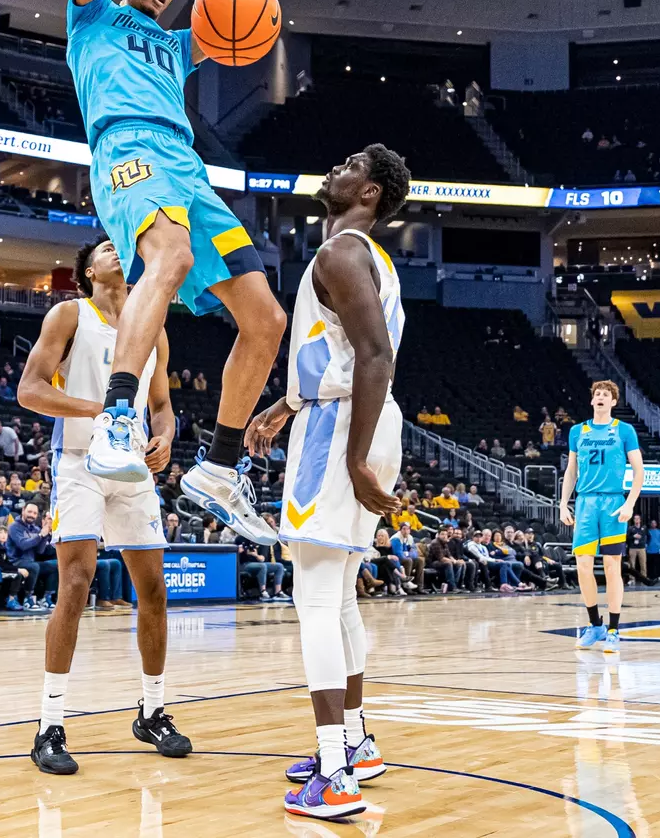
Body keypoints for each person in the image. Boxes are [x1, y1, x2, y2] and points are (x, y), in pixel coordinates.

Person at [66, 0, 283, 541]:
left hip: (186, 168)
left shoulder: (177, 44)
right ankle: (117, 417)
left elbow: (252, 0)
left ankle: (218, 467)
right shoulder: (92, 16)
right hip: (126, 150)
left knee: (264, 319)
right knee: (172, 259)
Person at [244, 144, 410, 821]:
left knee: (313, 597)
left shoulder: (340, 253)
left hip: (345, 431)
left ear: (368, 193)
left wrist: (351, 457)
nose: (331, 169)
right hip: (352, 417)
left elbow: (373, 354)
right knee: (338, 597)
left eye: (347, 166)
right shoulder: (367, 257)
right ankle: (356, 742)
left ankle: (335, 778)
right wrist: (291, 400)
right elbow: (348, 350)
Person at [17, 239, 191, 774]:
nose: (117, 249)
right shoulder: (70, 314)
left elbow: (161, 405)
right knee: (76, 582)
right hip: (78, 459)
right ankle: (50, 723)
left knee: (154, 591)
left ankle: (153, 710)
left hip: (134, 468)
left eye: (122, 245)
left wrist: (165, 436)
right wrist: (104, 410)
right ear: (87, 271)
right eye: (105, 248)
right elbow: (29, 390)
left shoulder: (153, 323)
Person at [560, 380, 644, 654]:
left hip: (612, 503)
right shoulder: (577, 431)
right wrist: (563, 504)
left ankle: (613, 629)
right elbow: (571, 471)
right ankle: (594, 624)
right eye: (597, 394)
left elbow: (639, 470)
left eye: (606, 395)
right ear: (592, 400)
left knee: (612, 565)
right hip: (585, 503)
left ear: (613, 402)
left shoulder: (624, 430)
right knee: (583, 564)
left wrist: (629, 503)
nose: (600, 397)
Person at [626, 514, 649, 584]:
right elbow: (627, 538)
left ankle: (644, 578)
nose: (636, 520)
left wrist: (646, 543)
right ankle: (632, 579)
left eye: (638, 518)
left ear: (640, 520)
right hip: (633, 548)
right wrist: (633, 536)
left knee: (643, 564)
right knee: (632, 564)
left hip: (642, 548)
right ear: (633, 520)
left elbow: (648, 536)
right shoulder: (630, 528)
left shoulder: (644, 528)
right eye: (635, 519)